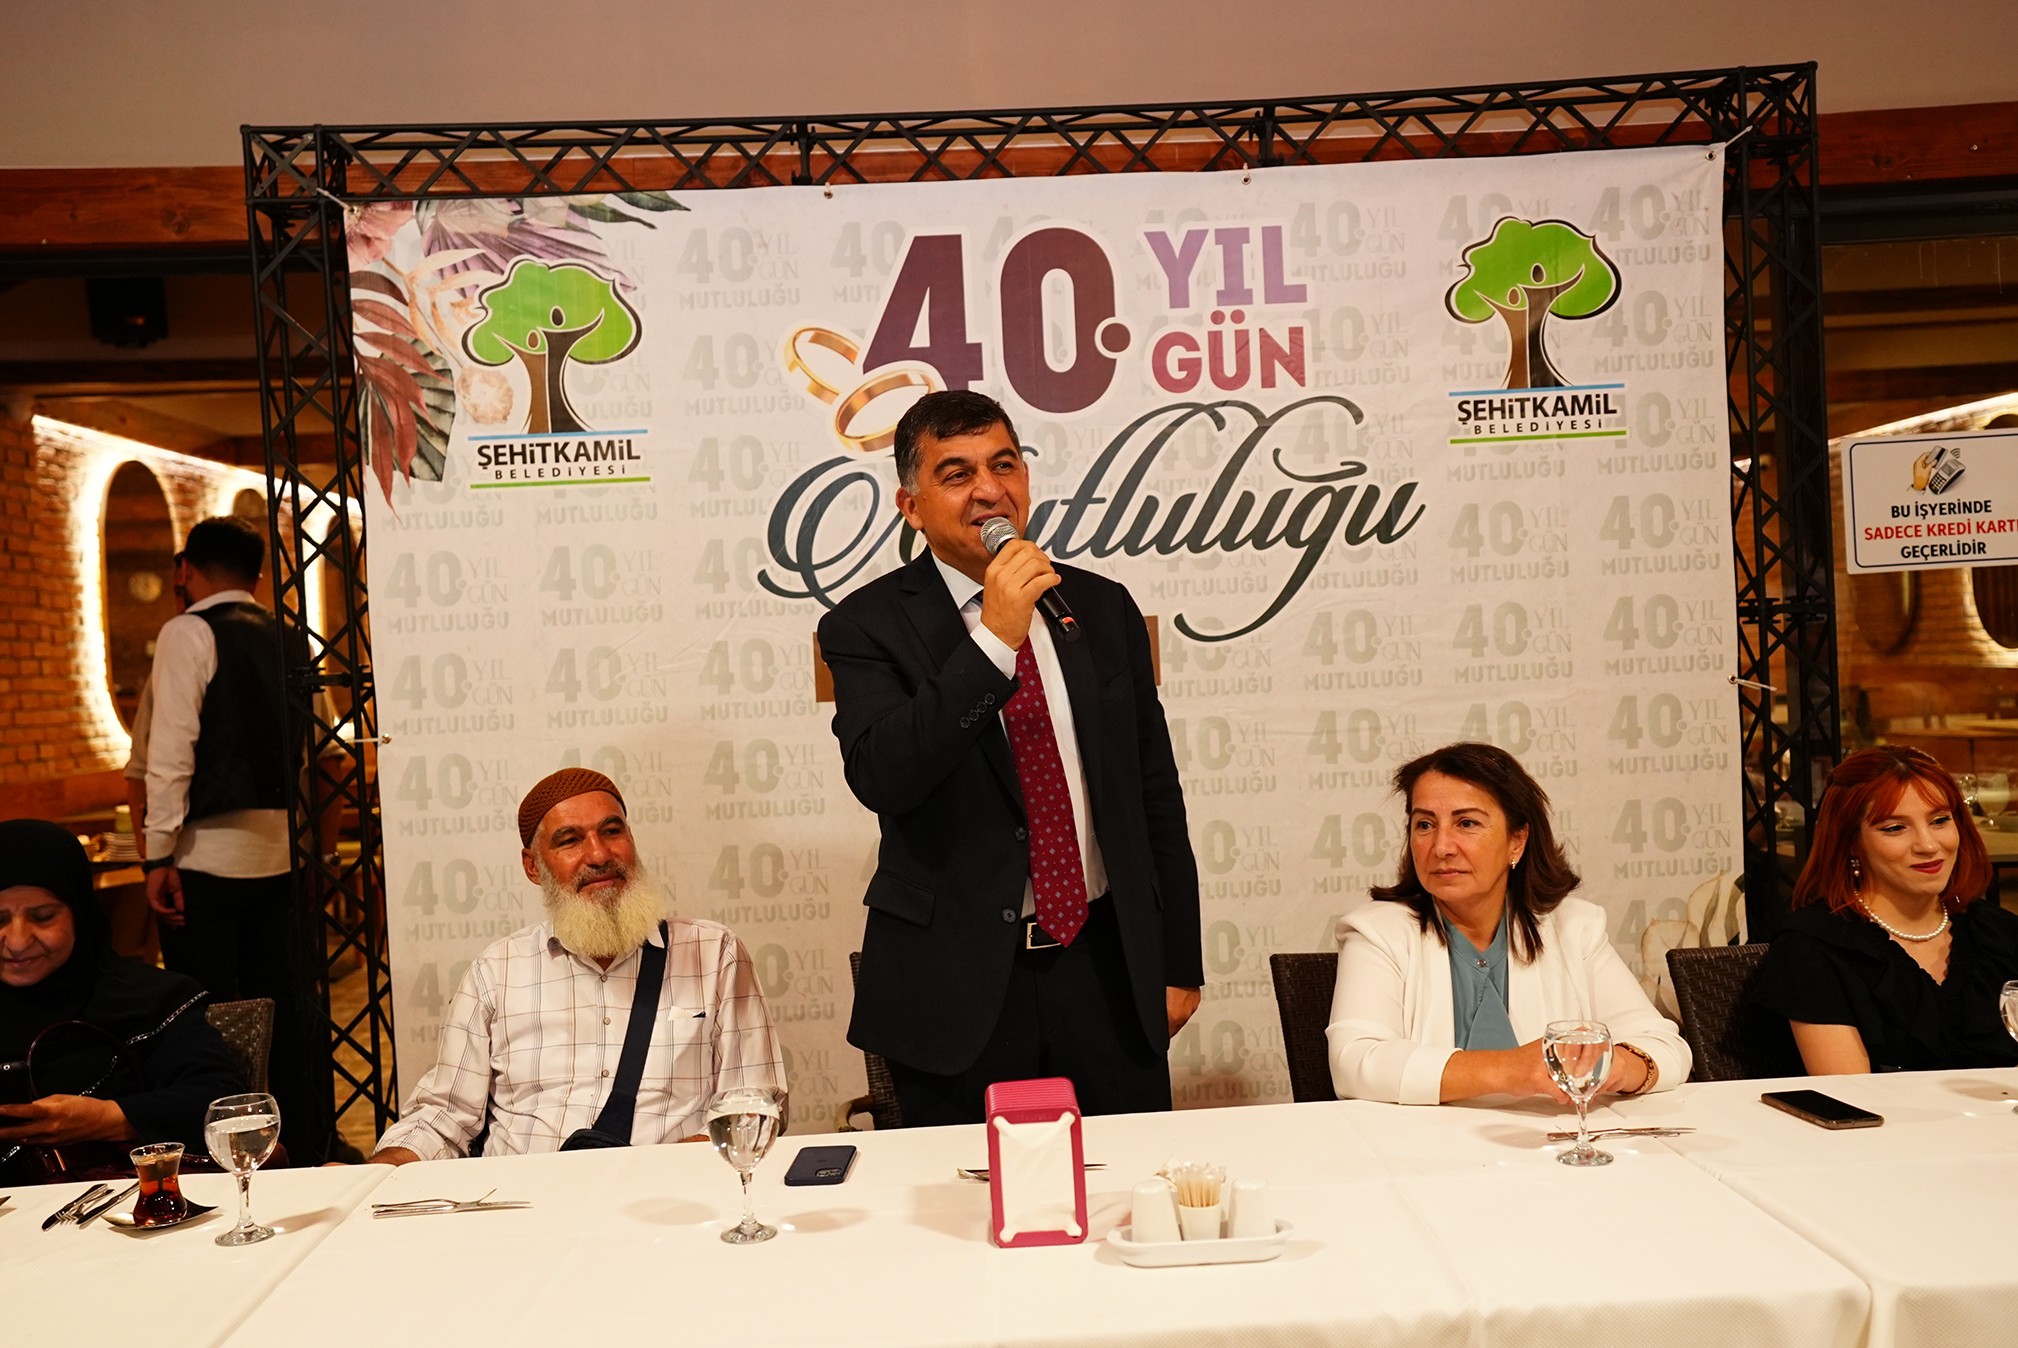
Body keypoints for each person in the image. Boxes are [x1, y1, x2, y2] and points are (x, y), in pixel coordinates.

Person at [817, 389, 1203, 1126]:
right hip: (956, 988)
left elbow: (1154, 793)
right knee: (963, 1191)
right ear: (911, 506)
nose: (989, 489)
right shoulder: (864, 626)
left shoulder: (1099, 607)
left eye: (1004, 464)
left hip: (1106, 971)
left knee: (1123, 1178)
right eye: (957, 474)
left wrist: (1178, 960)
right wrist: (994, 639)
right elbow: (885, 777)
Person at [369, 769, 785, 1162]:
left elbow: (754, 1106)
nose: (599, 854)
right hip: (527, 1200)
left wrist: (660, 1171)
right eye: (570, 840)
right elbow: (443, 1117)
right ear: (533, 866)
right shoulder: (496, 973)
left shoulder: (713, 954)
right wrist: (379, 1171)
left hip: (667, 1196)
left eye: (612, 831)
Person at [1329, 743, 1690, 1103]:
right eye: (1425, 824)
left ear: (1517, 841)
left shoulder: (1574, 927)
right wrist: (1509, 1070)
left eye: (1466, 823)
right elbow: (1354, 1062)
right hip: (1423, 1138)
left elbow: (1665, 1048)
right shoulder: (1378, 932)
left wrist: (1616, 1065)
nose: (1441, 847)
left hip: (1546, 1136)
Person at [140, 516, 324, 1162]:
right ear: (259, 575)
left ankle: (219, 1155)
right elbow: (311, 750)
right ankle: (302, 1147)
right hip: (279, 855)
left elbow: (171, 753)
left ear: (187, 569)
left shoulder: (187, 631)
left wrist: (158, 853)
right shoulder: (291, 636)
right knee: (287, 1011)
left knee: (203, 1017)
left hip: (205, 858)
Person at [1, 820, 247, 1185]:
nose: (18, 941)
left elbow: (222, 1100)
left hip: (129, 1208)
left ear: (80, 913)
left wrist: (107, 1118)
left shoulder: (150, 1001)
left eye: (43, 917)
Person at [1753, 745, 2018, 1073]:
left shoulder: (1999, 934)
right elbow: (1850, 1094)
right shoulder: (1813, 949)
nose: (1928, 845)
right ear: (1851, 842)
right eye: (1894, 828)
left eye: (1939, 821)